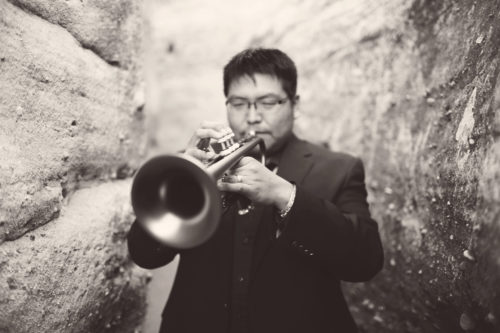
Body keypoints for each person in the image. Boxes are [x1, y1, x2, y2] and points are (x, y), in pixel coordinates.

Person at [127, 48, 384, 333]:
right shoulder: (193, 169)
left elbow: (365, 261)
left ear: (294, 105)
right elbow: (145, 254)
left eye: (268, 102)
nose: (252, 117)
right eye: (238, 103)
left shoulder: (339, 169)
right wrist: (183, 187)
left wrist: (286, 195)